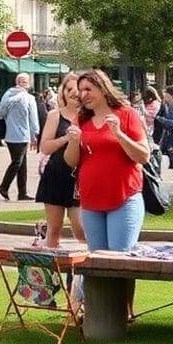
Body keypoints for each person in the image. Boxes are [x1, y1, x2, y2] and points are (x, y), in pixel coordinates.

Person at [63, 69, 150, 259]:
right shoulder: (82, 120)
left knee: (119, 261)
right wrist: (73, 141)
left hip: (124, 198)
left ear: (103, 88)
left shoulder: (127, 115)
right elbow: (71, 161)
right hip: (91, 201)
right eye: (80, 90)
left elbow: (143, 156)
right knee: (97, 261)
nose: (83, 95)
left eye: (88, 89)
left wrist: (119, 134)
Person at [34, 72, 85, 247]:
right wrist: (65, 138)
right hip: (56, 175)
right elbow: (45, 147)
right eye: (69, 89)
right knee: (54, 229)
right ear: (62, 92)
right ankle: (54, 268)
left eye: (78, 89)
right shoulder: (55, 115)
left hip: (80, 177)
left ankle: (87, 269)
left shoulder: (90, 116)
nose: (74, 93)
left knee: (81, 229)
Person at [0, 73, 40, 201]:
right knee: (17, 162)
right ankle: (4, 186)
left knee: (22, 164)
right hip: (23, 135)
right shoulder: (29, 98)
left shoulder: (7, 95)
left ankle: (22, 192)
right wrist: (34, 135)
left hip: (10, 135)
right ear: (27, 83)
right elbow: (33, 119)